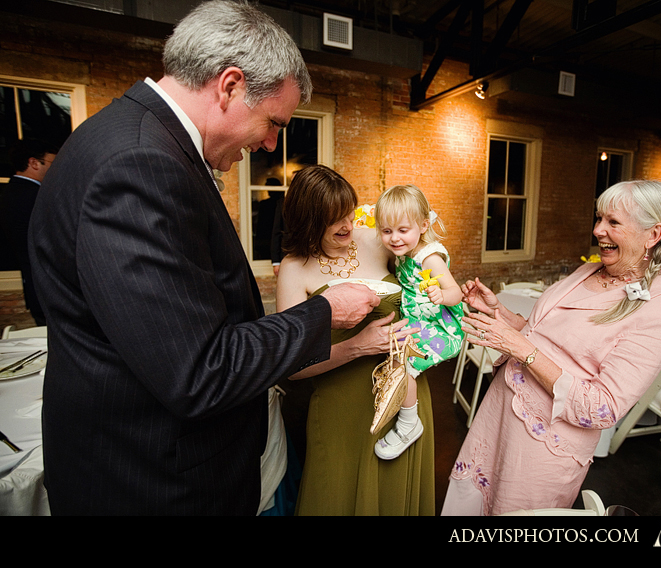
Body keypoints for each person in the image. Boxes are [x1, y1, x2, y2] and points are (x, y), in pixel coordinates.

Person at [27, 0, 379, 516]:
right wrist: (326, 311)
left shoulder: (127, 137)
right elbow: (199, 371)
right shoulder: (140, 163)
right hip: (154, 483)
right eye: (273, 122)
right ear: (230, 86)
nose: (271, 144)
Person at [441, 180, 661, 515]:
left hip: (541, 446)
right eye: (599, 218)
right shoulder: (589, 270)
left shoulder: (659, 314)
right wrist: (500, 313)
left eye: (613, 222)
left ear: (653, 234)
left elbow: (602, 408)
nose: (598, 230)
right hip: (497, 415)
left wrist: (522, 350)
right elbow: (545, 336)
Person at [276, 165, 436, 515]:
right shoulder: (294, 268)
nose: (348, 226)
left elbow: (427, 261)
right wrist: (357, 346)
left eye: (349, 213)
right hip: (341, 406)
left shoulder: (377, 240)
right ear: (309, 222)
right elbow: (292, 367)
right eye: (335, 220)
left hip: (402, 396)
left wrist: (445, 294)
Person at [372, 184, 464, 459]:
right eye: (386, 231)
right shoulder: (405, 251)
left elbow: (456, 293)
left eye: (402, 230)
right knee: (393, 356)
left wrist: (441, 295)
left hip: (440, 328)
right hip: (418, 321)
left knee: (403, 366)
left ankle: (409, 423)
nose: (394, 238)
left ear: (423, 226)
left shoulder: (429, 258)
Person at [0, 138, 58, 326]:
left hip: (35, 286)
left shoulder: (12, 192)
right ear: (34, 163)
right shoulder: (33, 197)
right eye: (53, 163)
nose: (56, 170)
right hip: (49, 290)